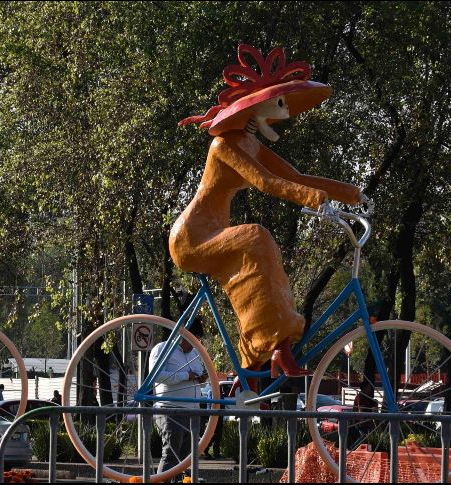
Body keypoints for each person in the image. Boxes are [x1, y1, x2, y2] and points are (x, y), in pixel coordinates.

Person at [173, 44, 368, 394]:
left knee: (262, 264)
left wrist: (351, 193)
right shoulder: (224, 146)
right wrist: (314, 199)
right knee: (256, 237)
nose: (284, 112)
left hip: (215, 232)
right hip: (192, 238)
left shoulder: (251, 143)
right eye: (278, 104)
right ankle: (276, 345)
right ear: (254, 106)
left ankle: (252, 367)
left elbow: (296, 177)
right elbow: (265, 182)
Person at [150, 318, 208, 476]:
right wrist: (186, 376)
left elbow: (197, 377)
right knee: (170, 455)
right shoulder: (162, 348)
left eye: (198, 340)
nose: (195, 344)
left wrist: (201, 378)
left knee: (185, 459)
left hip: (193, 411)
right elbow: (156, 376)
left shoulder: (195, 353)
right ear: (183, 335)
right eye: (193, 340)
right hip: (170, 410)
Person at [201, 381, 223, 460]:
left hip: (218, 414)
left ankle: (213, 451)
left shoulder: (216, 392)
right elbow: (212, 403)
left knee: (217, 435)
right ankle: (207, 450)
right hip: (214, 415)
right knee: (213, 434)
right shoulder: (211, 392)